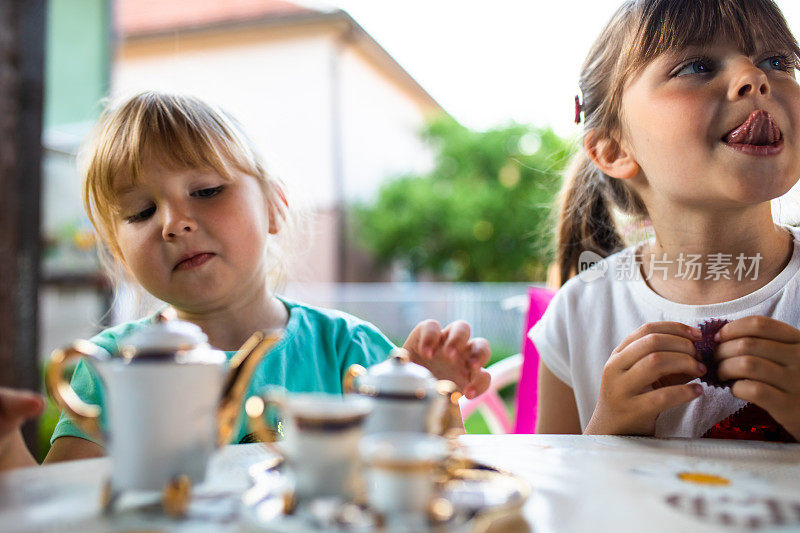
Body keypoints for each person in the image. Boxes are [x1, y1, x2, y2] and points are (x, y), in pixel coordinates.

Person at [0, 92, 491, 470]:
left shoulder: (352, 350)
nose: (173, 222)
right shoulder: (107, 368)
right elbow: (61, 512)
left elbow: (424, 479)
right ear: (119, 255)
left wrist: (432, 397)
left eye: (208, 190)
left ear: (275, 205)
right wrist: (5, 448)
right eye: (142, 211)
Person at [532, 0, 800, 442]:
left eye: (777, 61)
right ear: (615, 149)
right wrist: (607, 435)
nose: (754, 77)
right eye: (697, 66)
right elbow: (553, 497)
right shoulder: (578, 316)